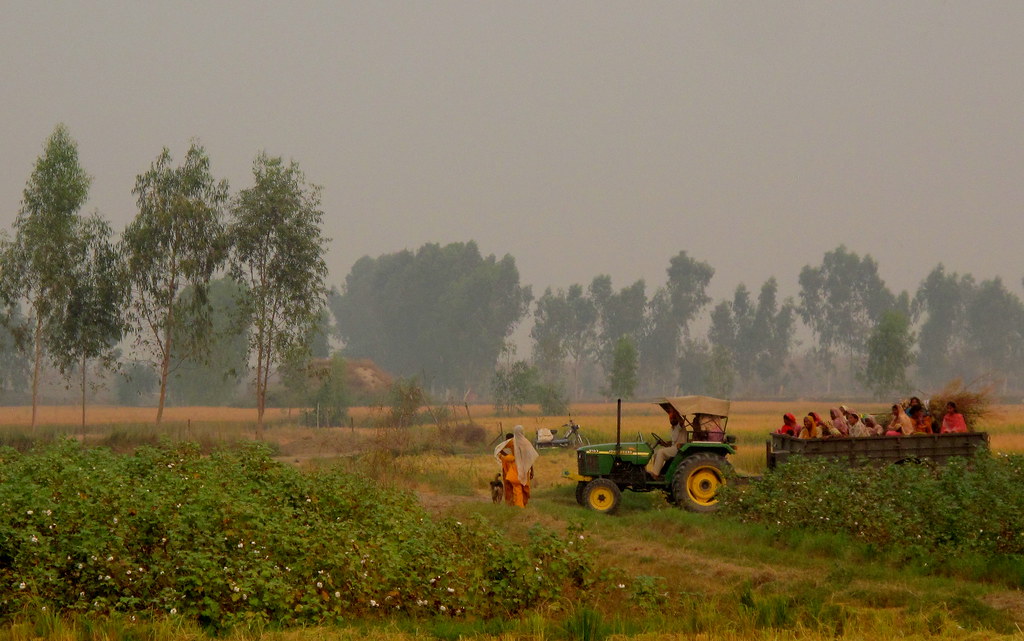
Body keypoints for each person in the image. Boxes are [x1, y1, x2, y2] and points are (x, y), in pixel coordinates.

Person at [494, 425, 539, 507]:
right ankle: (521, 506)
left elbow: (499, 449)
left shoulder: (511, 442)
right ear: (522, 431)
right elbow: (529, 458)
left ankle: (518, 506)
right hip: (525, 467)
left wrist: (510, 457)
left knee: (517, 487)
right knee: (524, 487)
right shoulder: (526, 442)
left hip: (515, 467)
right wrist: (532, 470)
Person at [649, 405, 686, 480]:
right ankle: (657, 473)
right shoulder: (673, 428)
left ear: (677, 419)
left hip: (679, 449)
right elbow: (673, 442)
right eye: (670, 419)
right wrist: (663, 443)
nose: (671, 420)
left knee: (661, 452)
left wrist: (675, 411)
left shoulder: (680, 426)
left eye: (673, 418)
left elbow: (681, 421)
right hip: (674, 448)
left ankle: (655, 475)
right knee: (656, 453)